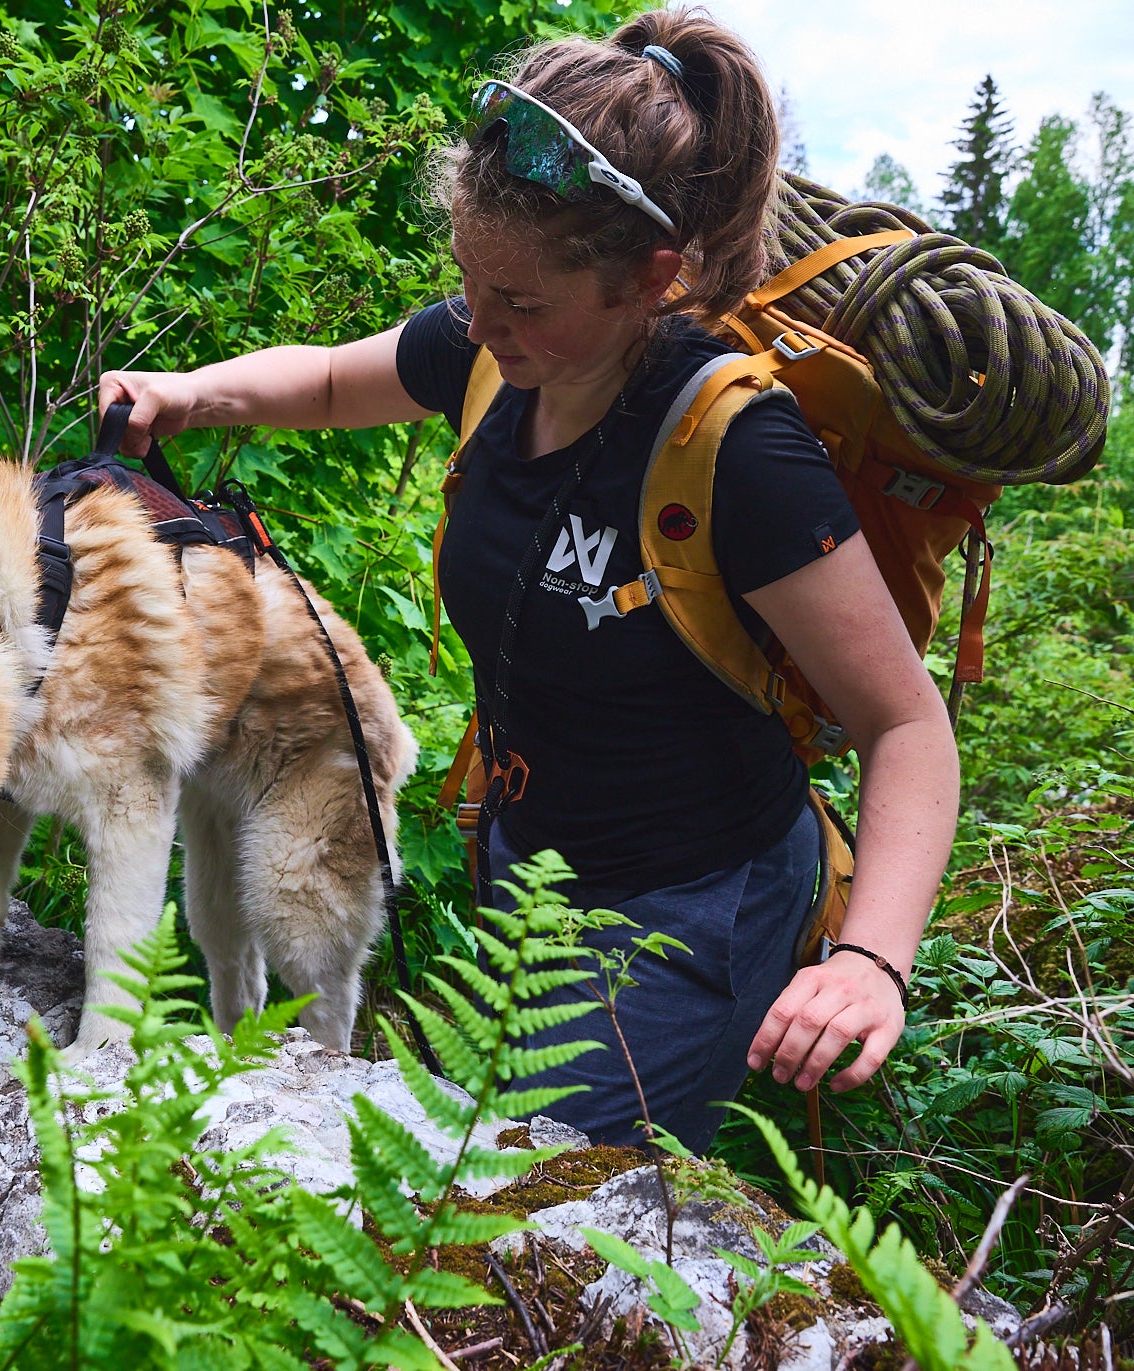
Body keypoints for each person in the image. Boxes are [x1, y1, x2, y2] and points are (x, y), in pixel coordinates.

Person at [95, 8, 957, 1152]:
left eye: (523, 302)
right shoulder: (497, 354)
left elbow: (905, 723)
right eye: (470, 284)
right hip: (529, 887)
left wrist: (868, 965)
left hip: (685, 912)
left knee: (504, 1229)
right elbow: (324, 382)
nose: (483, 322)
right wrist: (190, 390)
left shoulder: (738, 454)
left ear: (650, 281)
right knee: (472, 1193)